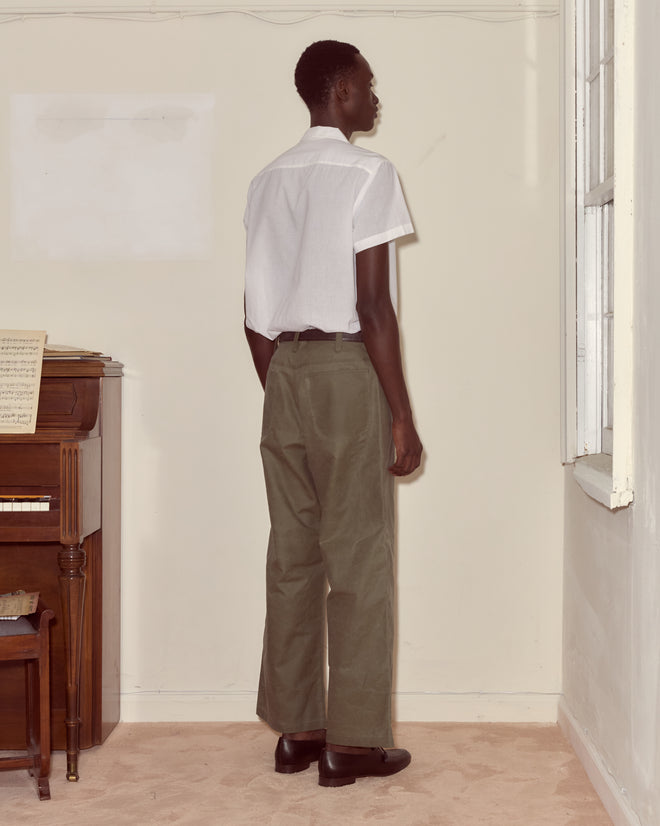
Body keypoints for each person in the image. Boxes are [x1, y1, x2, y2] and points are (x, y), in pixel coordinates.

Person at [243, 39, 422, 787]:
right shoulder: (368, 174)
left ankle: (298, 731)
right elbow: (374, 306)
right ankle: (351, 742)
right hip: (350, 371)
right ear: (341, 89)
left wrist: (286, 384)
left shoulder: (266, 180)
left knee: (294, 555)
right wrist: (400, 415)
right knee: (359, 556)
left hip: (282, 369)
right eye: (369, 85)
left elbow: (253, 313)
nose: (375, 97)